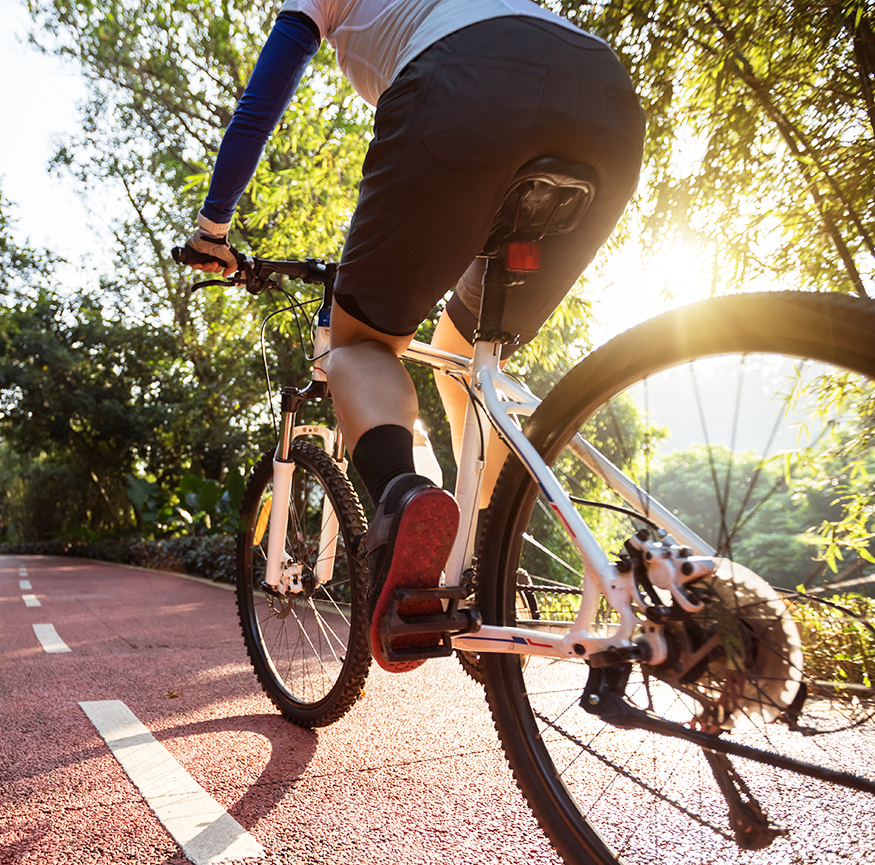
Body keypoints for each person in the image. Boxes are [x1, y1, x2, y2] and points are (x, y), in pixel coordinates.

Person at [185, 0, 644, 672]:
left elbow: (262, 99)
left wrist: (213, 230)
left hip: (467, 85)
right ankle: (486, 551)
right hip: (604, 98)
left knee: (360, 344)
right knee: (463, 356)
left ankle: (404, 496)